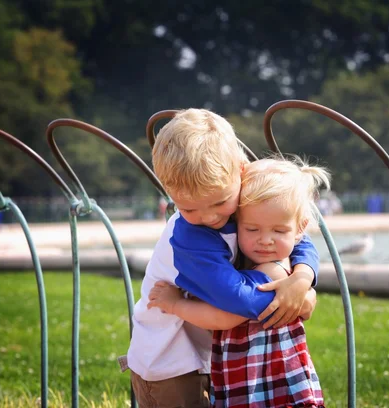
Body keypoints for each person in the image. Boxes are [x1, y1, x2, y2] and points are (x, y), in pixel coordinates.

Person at [125, 109, 321, 408]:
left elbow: (295, 237)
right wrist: (280, 277)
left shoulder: (245, 200)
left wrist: (303, 278)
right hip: (168, 362)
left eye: (220, 202)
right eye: (189, 208)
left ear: (241, 171)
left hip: (211, 353)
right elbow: (239, 300)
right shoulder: (189, 238)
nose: (208, 217)